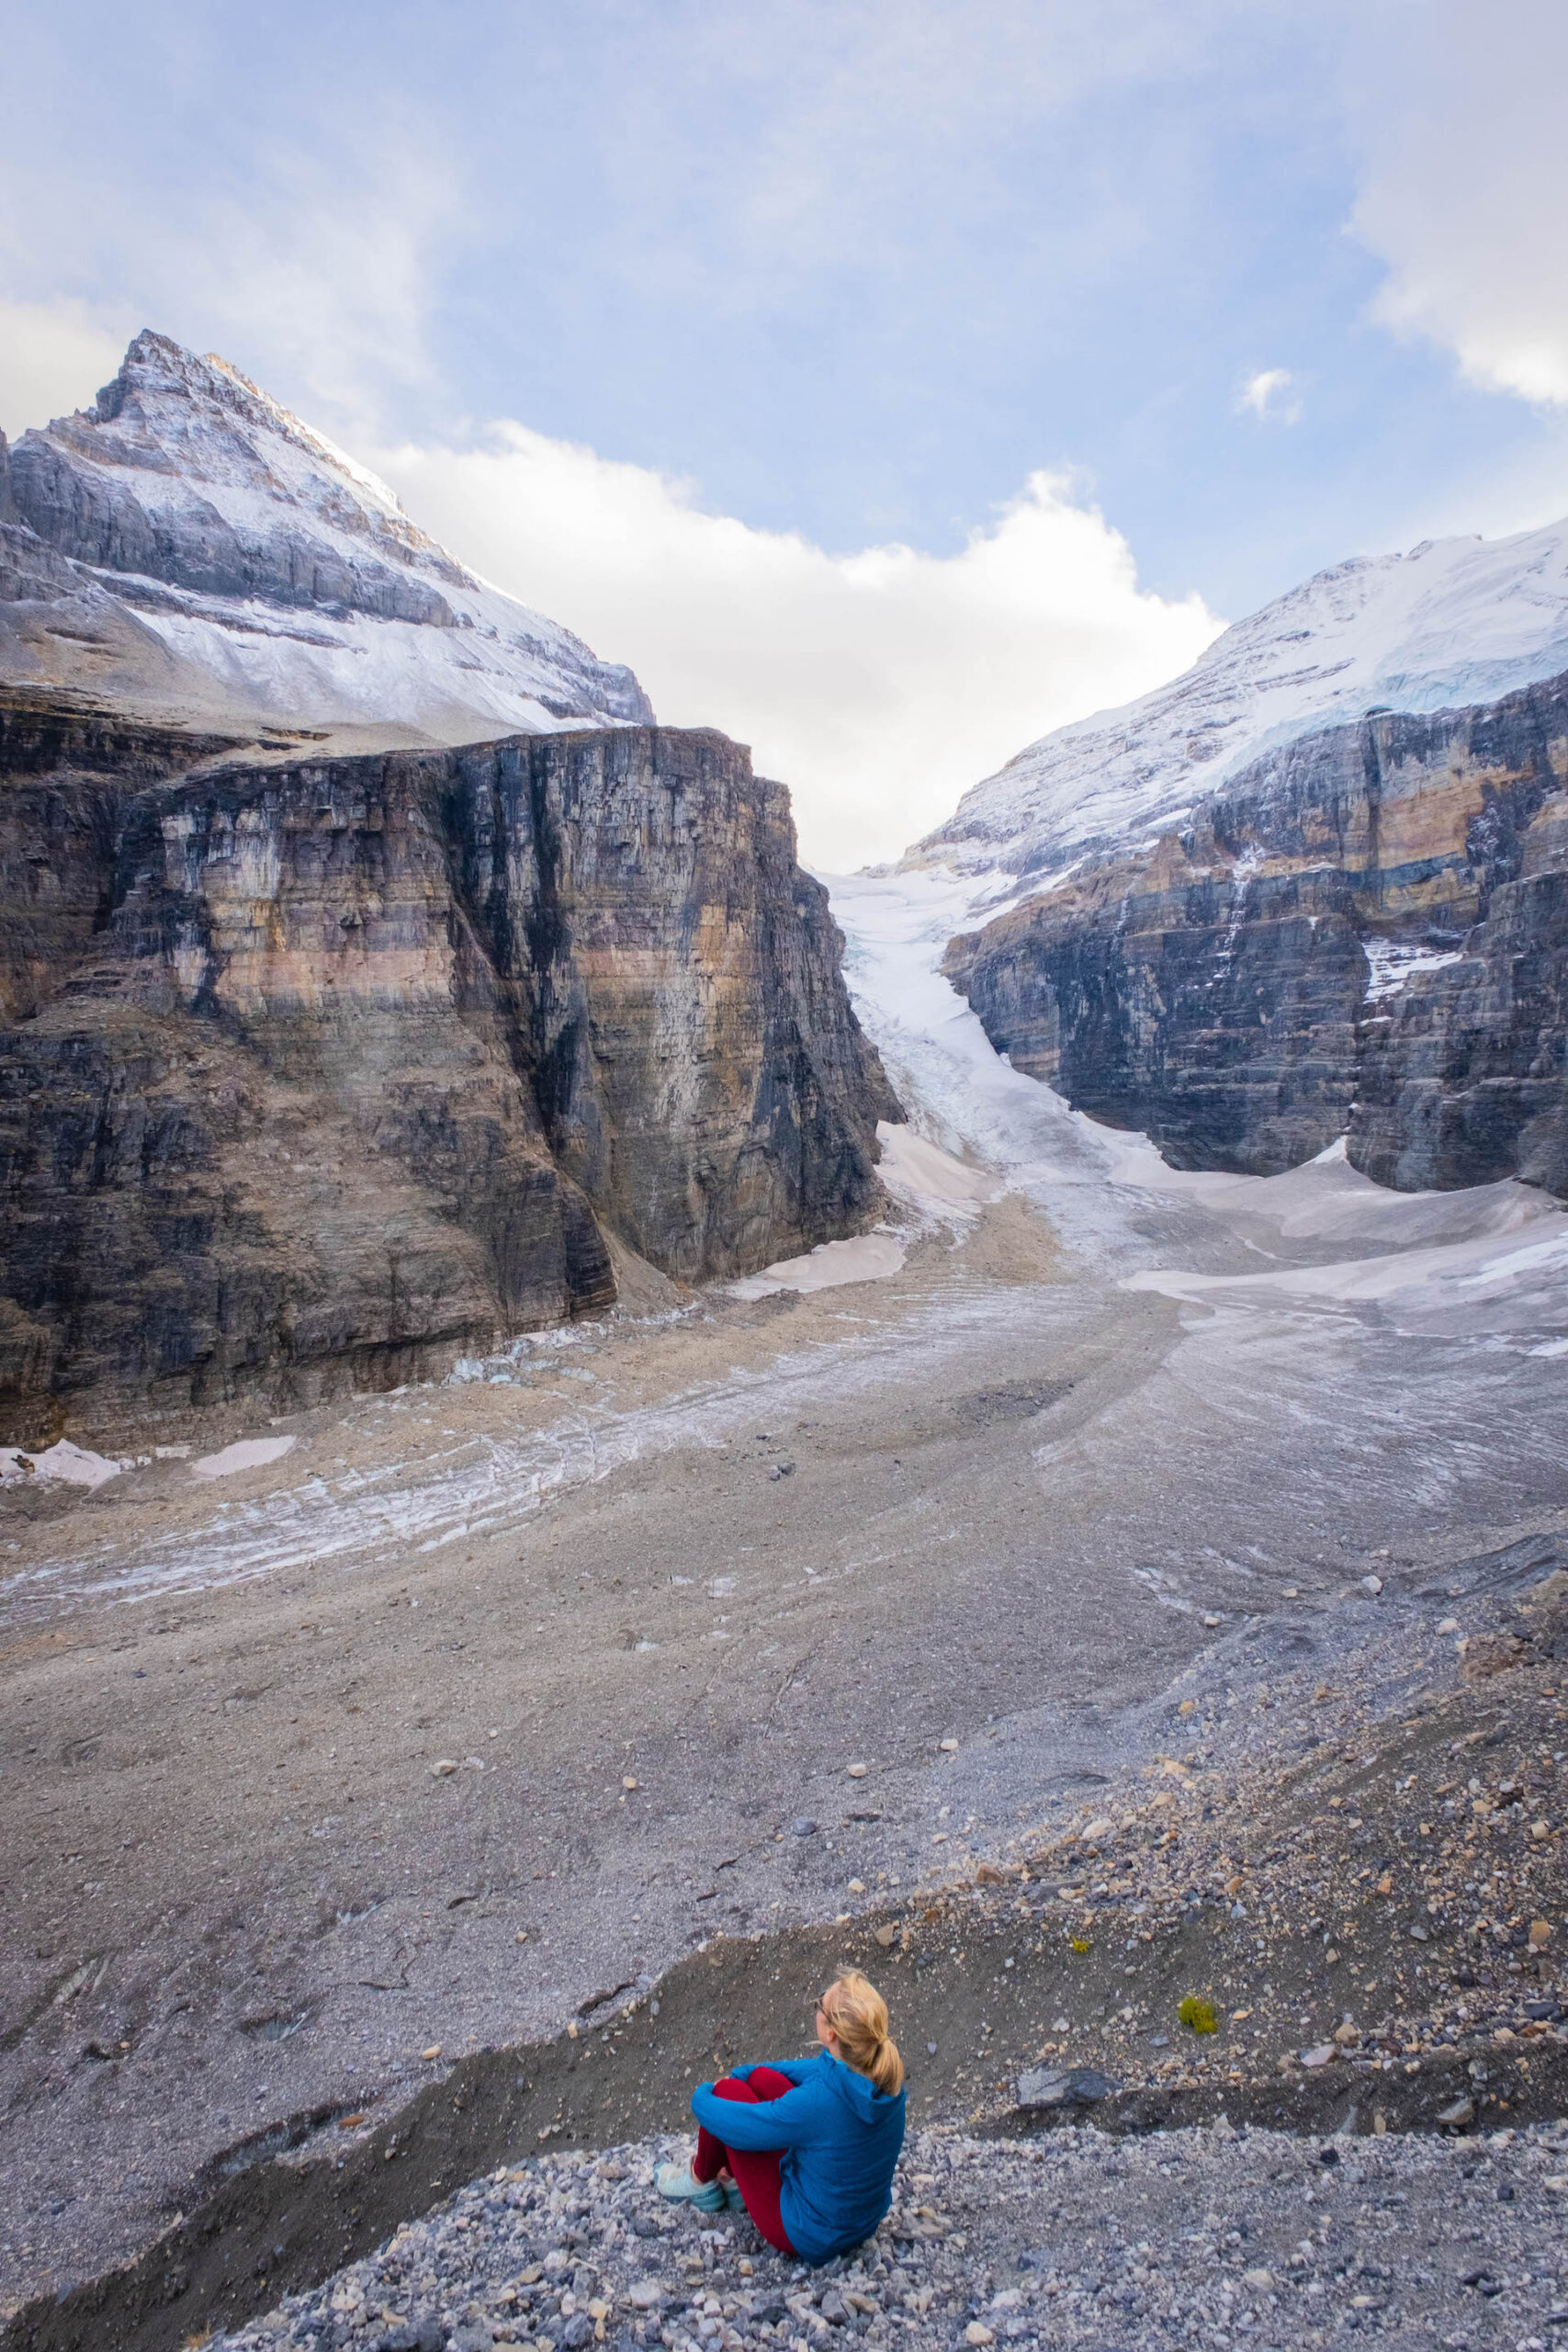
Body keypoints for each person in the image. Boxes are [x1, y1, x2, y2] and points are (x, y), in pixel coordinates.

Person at [655, 1970, 906, 2263]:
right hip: (859, 2222)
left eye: (819, 2004)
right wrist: (746, 2073)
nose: (817, 2009)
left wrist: (703, 2093)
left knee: (727, 2094)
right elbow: (808, 2071)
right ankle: (735, 2185)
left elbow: (748, 2126)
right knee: (762, 2079)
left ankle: (698, 2179)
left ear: (831, 2033)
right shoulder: (884, 2081)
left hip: (805, 2234)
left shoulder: (819, 2102)